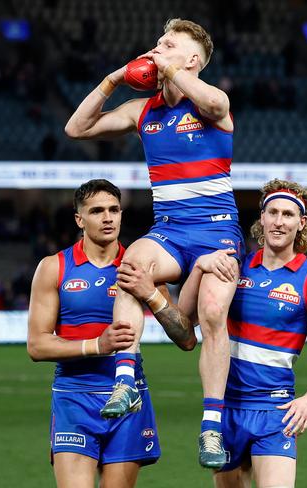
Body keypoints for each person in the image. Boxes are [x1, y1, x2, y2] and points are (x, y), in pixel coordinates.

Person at [65, 18, 242, 468]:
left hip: (216, 232)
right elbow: (76, 129)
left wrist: (171, 67)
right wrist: (111, 80)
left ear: (193, 60)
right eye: (157, 43)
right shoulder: (142, 110)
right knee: (130, 267)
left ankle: (211, 427)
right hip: (169, 231)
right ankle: (125, 381)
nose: (156, 49)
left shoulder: (211, 105)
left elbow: (215, 99)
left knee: (213, 313)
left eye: (169, 45)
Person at [120, 179, 307, 487]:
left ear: (301, 222)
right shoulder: (232, 266)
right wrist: (198, 267)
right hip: (224, 411)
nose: (279, 222)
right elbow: (184, 327)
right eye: (273, 212)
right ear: (262, 218)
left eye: (288, 215)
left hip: (273, 411)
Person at [27, 179, 165, 488]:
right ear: (79, 219)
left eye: (114, 209)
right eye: (97, 211)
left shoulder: (142, 267)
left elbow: (185, 337)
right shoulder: (54, 267)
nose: (108, 218)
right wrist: (97, 345)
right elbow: (36, 345)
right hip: (74, 398)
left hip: (129, 398)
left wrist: (153, 295)